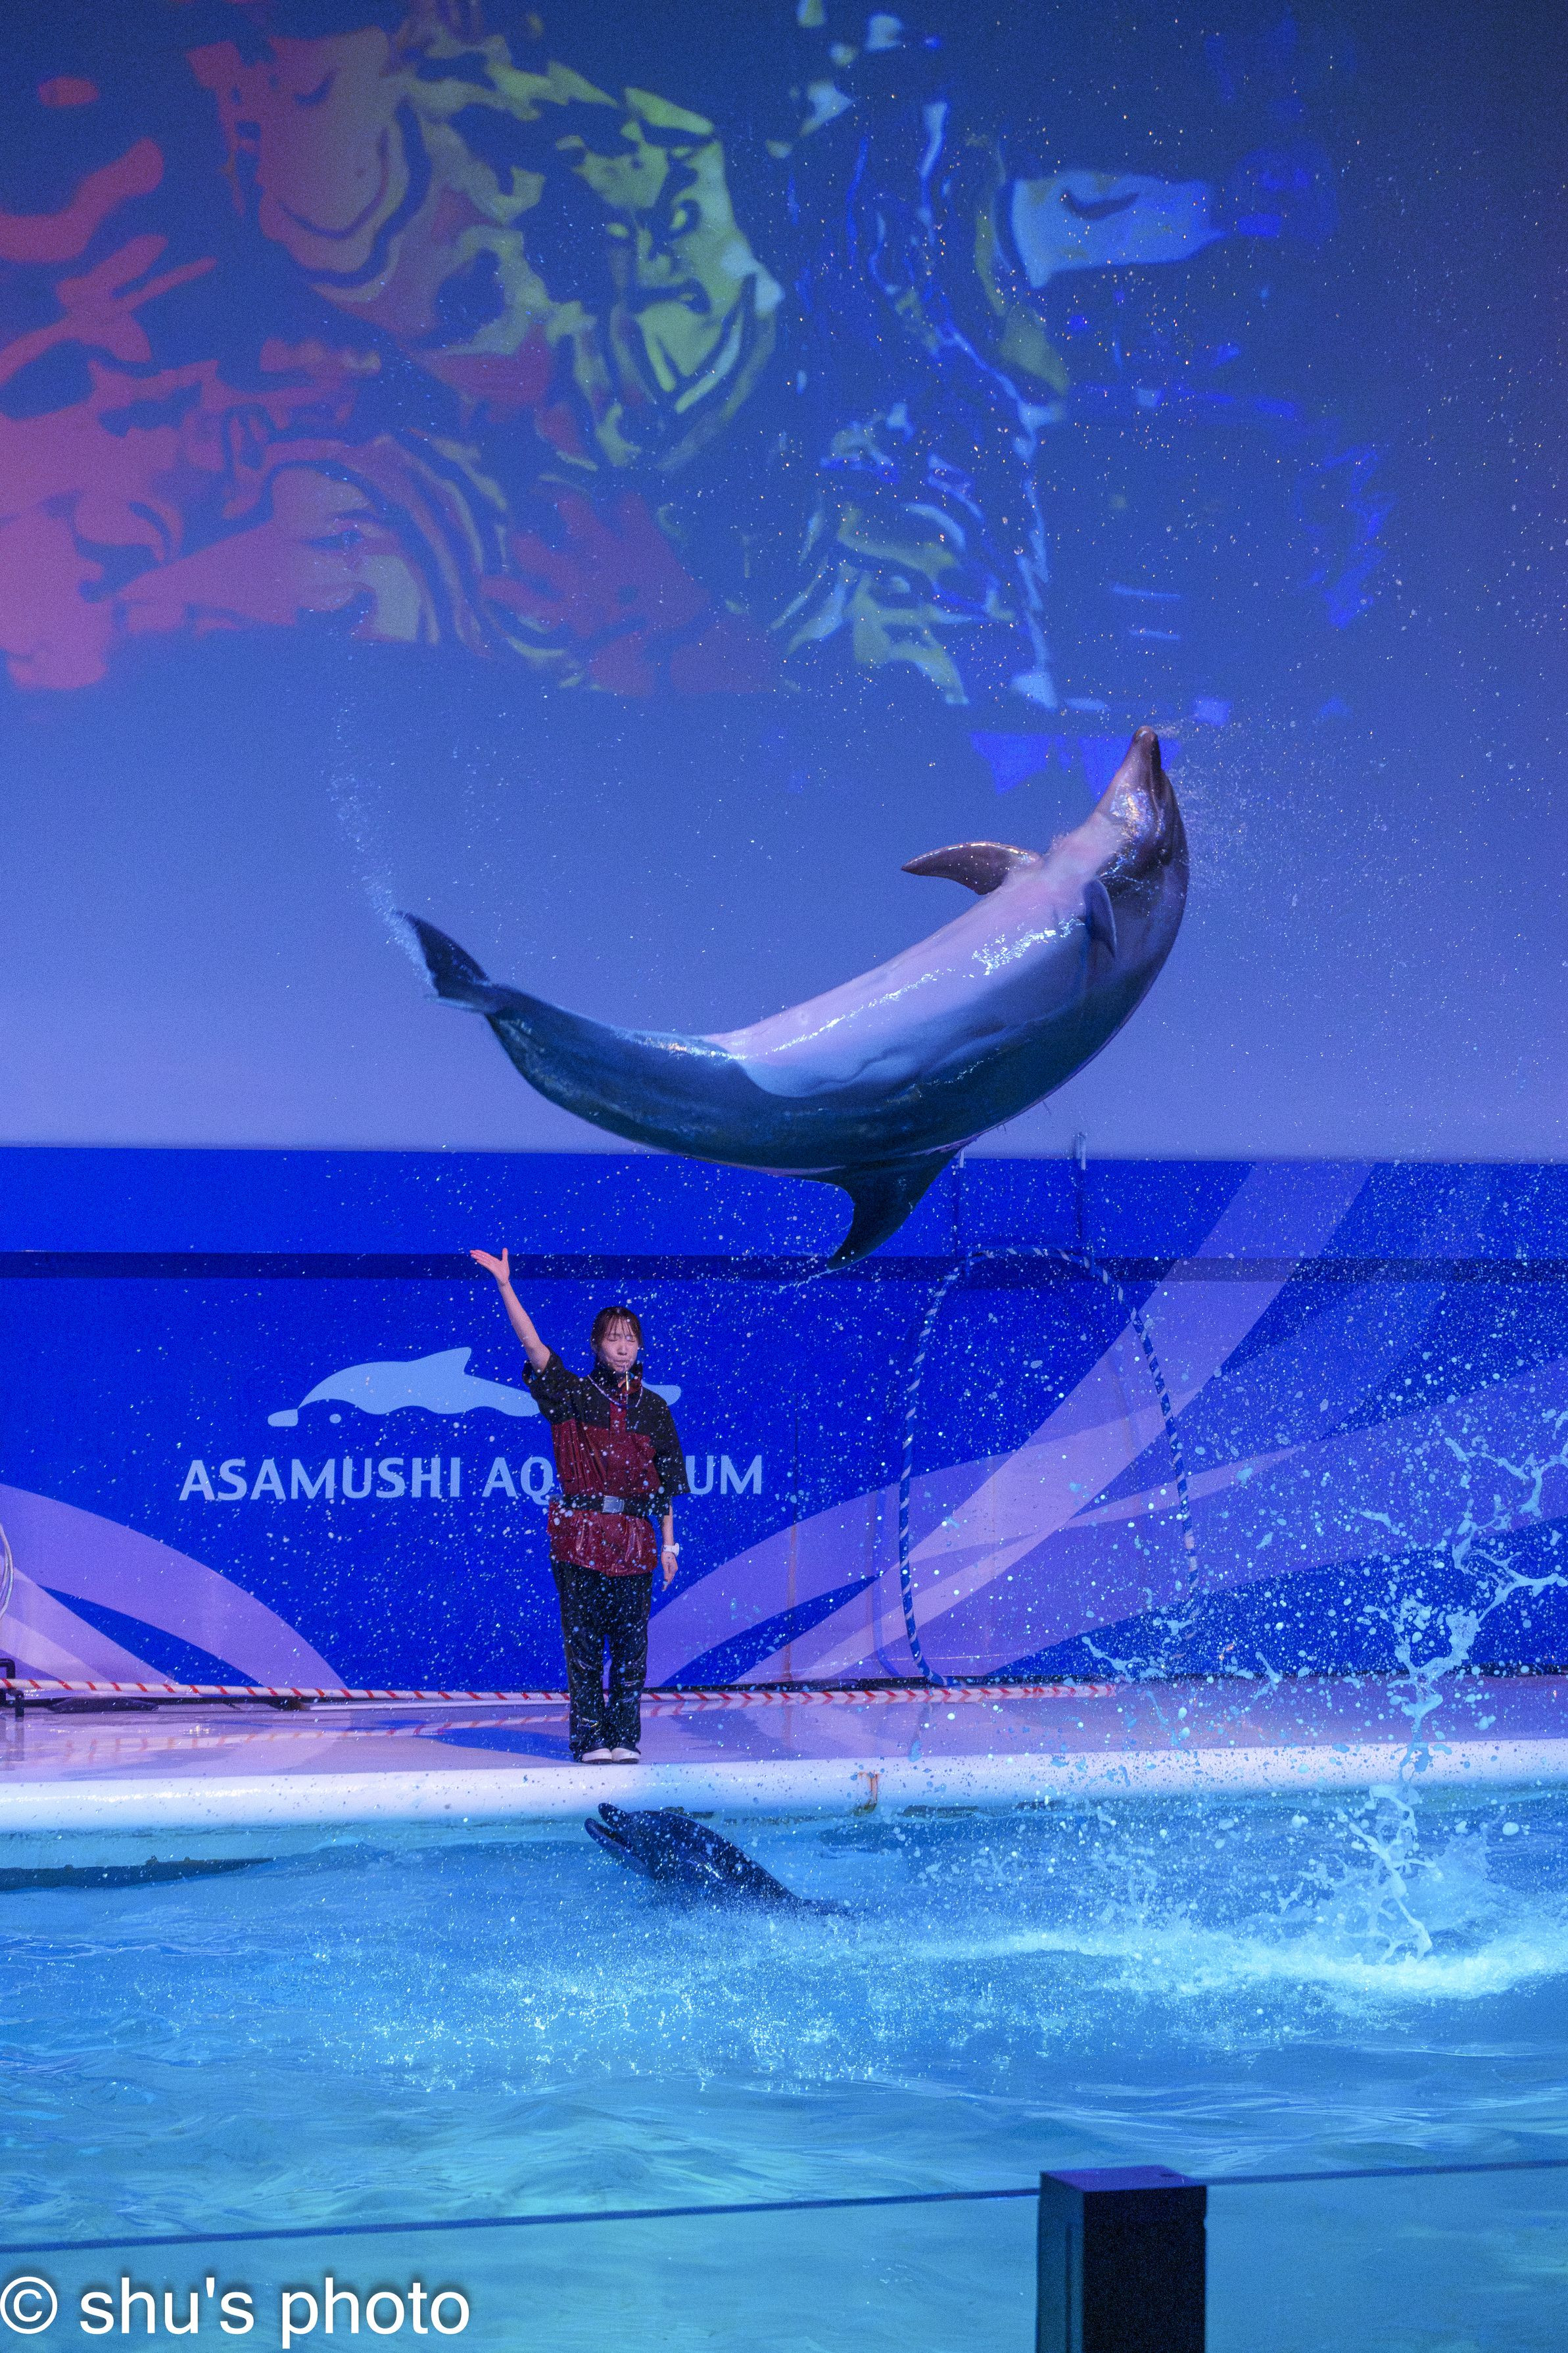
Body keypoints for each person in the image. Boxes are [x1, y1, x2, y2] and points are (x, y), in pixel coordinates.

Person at [471, 1249, 688, 1764]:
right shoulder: (572, 1394)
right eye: (613, 1338)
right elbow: (533, 1346)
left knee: (631, 1646)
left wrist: (669, 1546)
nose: (622, 1346)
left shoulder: (654, 1408)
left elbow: (665, 1486)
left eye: (630, 1338)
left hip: (634, 1540)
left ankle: (624, 1736)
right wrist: (505, 1286)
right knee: (585, 1644)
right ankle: (590, 1738)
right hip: (580, 1535)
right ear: (596, 1344)